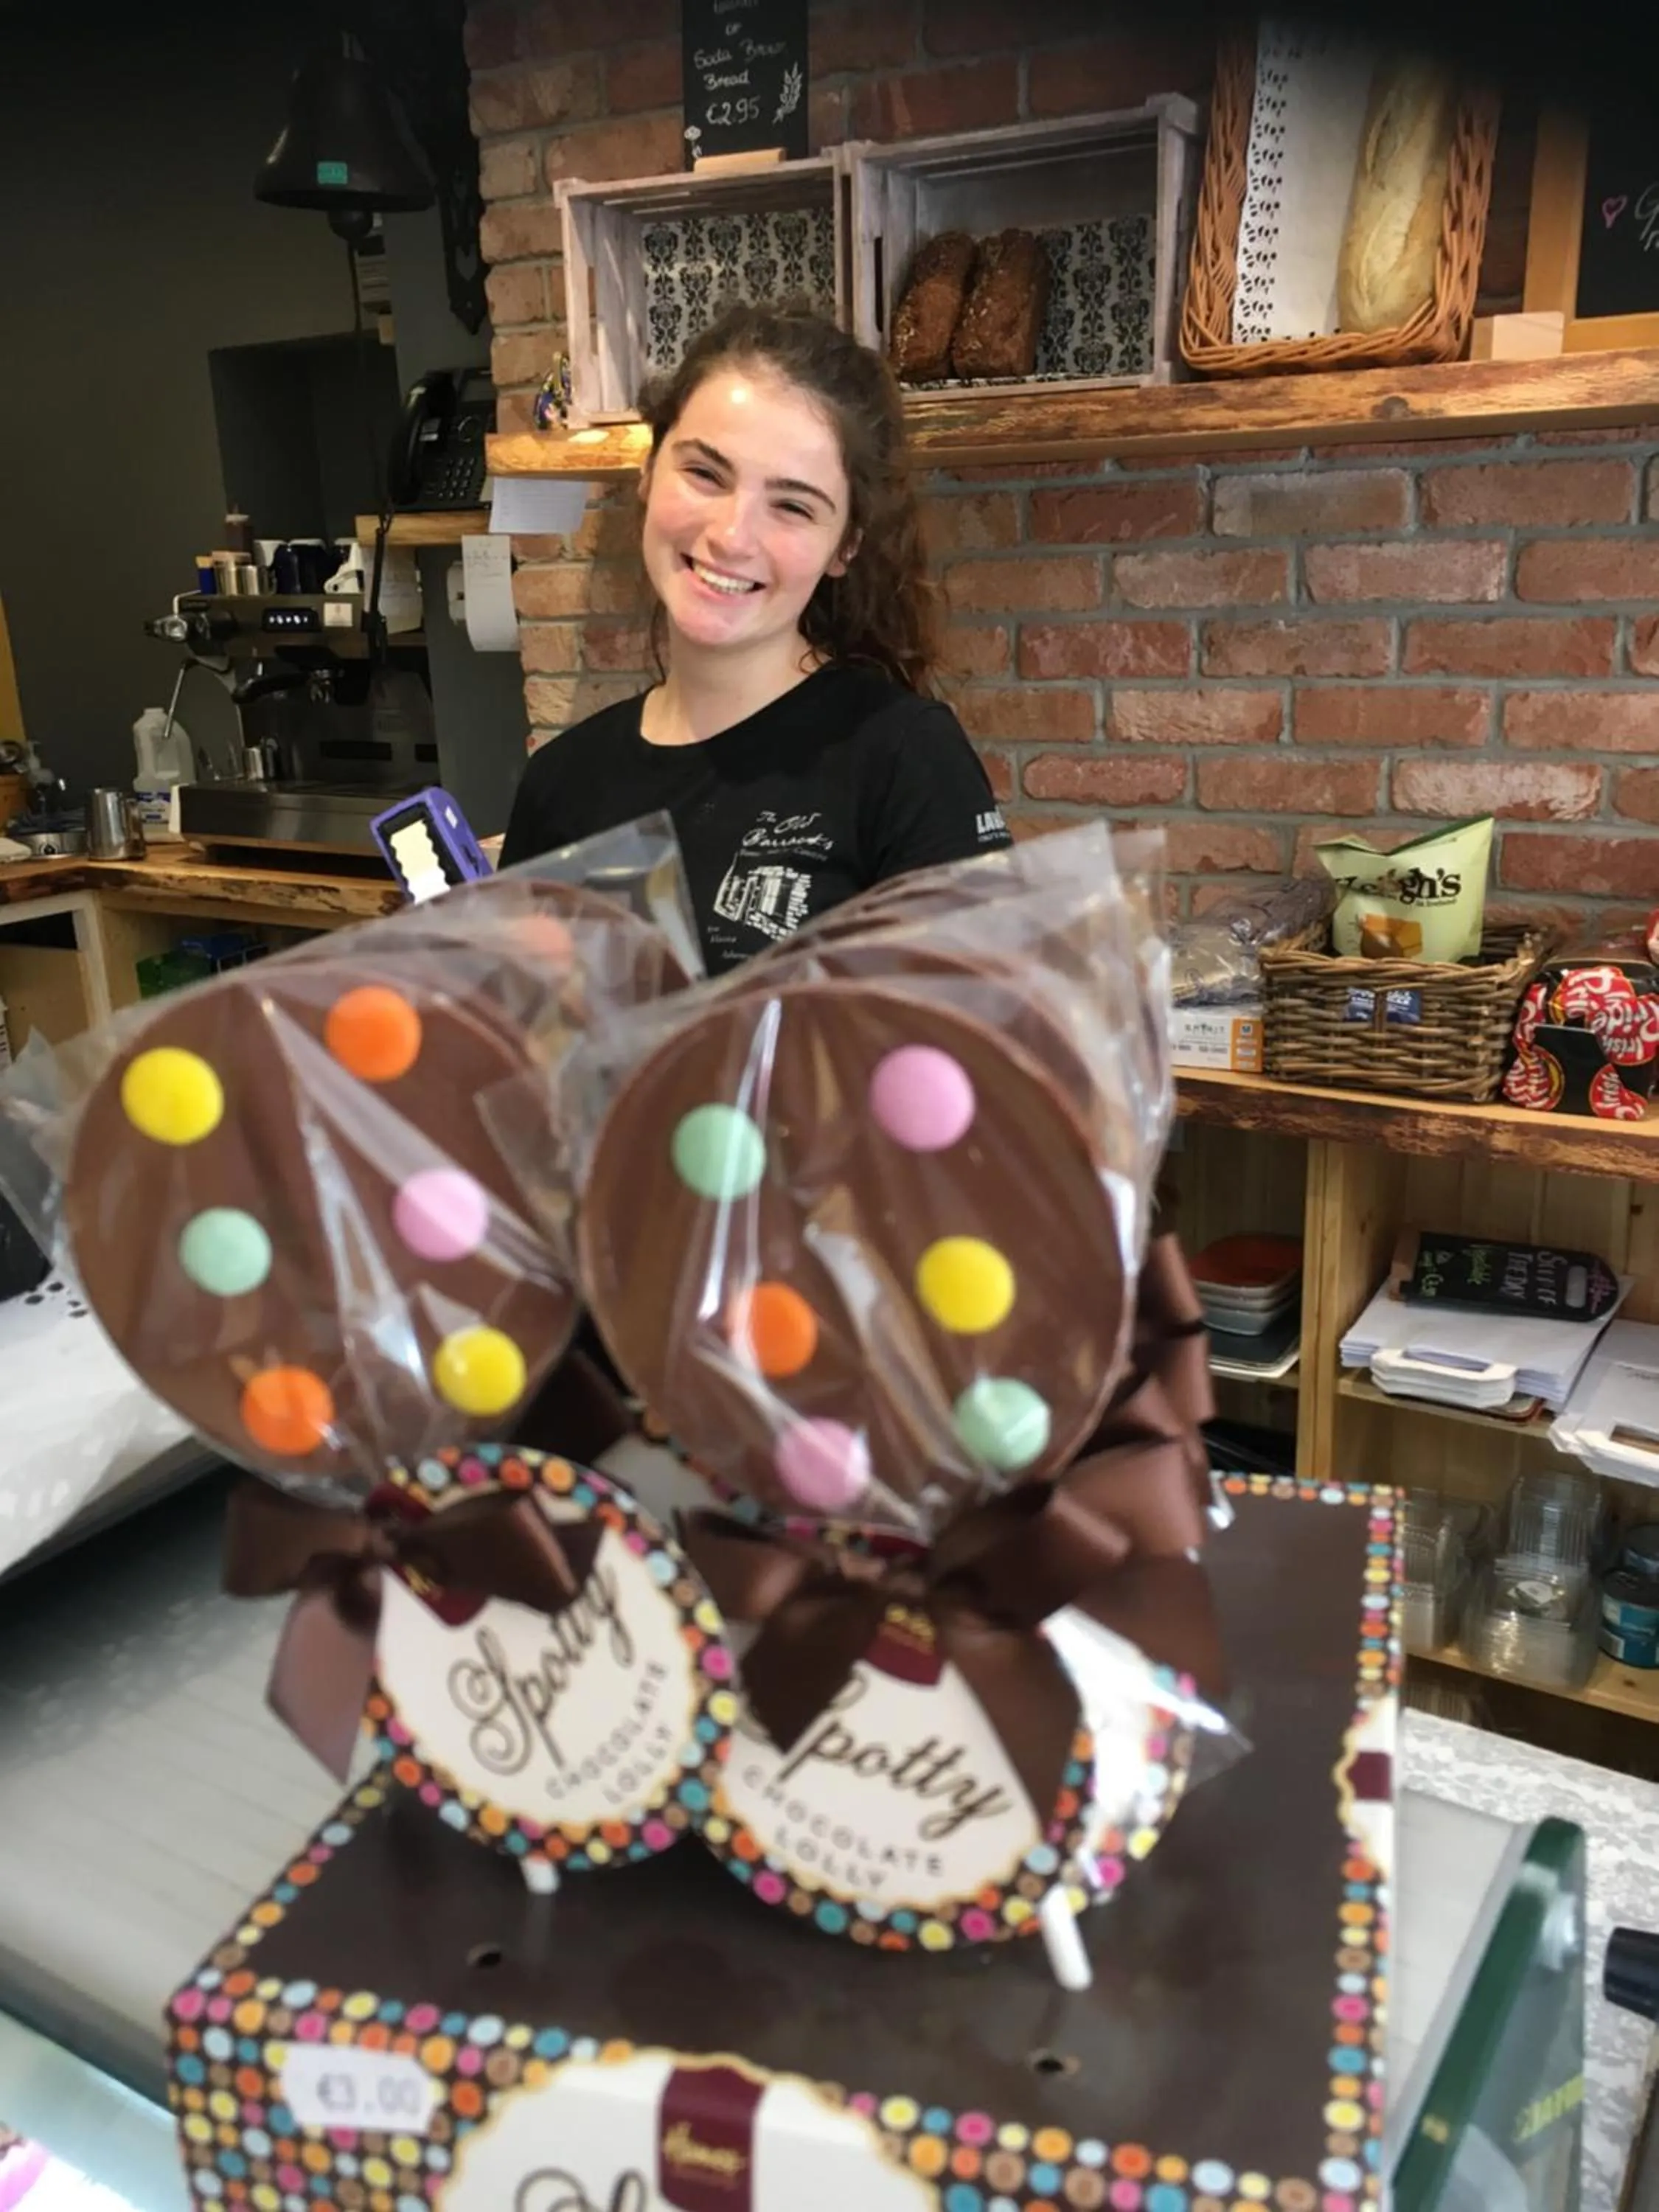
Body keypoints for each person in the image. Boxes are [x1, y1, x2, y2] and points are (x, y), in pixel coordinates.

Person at [498, 302, 1012, 973]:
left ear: (845, 546)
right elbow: (533, 1055)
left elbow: (979, 1058)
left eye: (793, 506)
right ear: (649, 473)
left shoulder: (904, 759)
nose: (733, 536)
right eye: (706, 474)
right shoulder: (560, 782)